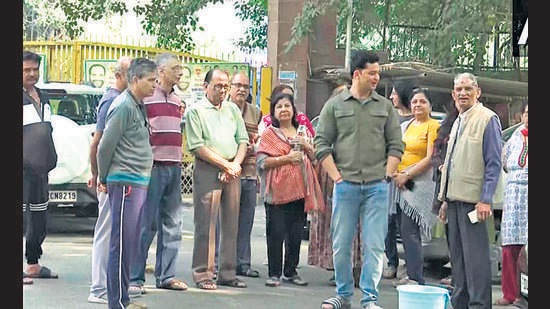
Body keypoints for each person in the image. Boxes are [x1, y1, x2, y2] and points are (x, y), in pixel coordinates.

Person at [315, 50, 403, 309]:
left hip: (377, 187)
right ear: (357, 74)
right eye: (372, 73)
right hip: (346, 187)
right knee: (341, 245)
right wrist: (337, 177)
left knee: (374, 246)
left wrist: (387, 175)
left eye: (378, 73)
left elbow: (396, 145)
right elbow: (321, 144)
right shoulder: (335, 105)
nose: (377, 77)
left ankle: (370, 300)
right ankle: (343, 296)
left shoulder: (385, 107)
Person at [437, 72, 502, 309]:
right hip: (454, 201)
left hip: (475, 204)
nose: (463, 93)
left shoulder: (487, 119)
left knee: (476, 262)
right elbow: (452, 162)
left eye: (468, 89)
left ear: (478, 92)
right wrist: (444, 200)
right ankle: (460, 304)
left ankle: (479, 305)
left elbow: (493, 163)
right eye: (459, 90)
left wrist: (485, 199)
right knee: (458, 261)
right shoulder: (457, 121)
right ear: (453, 95)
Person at [97, 57, 158, 309]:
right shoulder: (122, 106)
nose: (155, 85)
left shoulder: (137, 105)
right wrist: (103, 177)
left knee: (129, 244)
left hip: (138, 182)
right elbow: (104, 147)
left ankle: (123, 298)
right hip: (125, 183)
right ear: (135, 80)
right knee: (120, 246)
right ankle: (117, 303)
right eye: (151, 80)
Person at [128, 53, 188, 297]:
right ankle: (135, 277)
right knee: (146, 224)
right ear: (161, 71)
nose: (180, 72)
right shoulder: (147, 98)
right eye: (175, 68)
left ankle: (166, 276)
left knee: (173, 224)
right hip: (152, 167)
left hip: (174, 167)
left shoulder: (177, 100)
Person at [184, 68, 249, 290]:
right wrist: (225, 165)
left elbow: (242, 140)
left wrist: (235, 165)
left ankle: (228, 273)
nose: (222, 90)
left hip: (232, 169)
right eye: (217, 86)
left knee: (231, 223)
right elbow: (197, 146)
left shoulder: (232, 109)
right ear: (206, 86)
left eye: (225, 86)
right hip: (208, 170)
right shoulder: (196, 111)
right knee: (206, 224)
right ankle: (203, 273)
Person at [256, 92, 325, 288]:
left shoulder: (303, 132)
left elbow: (315, 160)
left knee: (295, 234)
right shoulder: (269, 134)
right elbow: (262, 163)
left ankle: (291, 271)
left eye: (287, 106)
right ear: (274, 112)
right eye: (279, 107)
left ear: (293, 110)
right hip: (276, 193)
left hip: (300, 191)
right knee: (275, 232)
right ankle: (275, 273)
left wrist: (307, 147)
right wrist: (286, 159)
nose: (284, 110)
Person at [87, 56, 132, 304]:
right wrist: (97, 176)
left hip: (116, 176)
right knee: (105, 232)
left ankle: (111, 284)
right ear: (119, 76)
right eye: (131, 73)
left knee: (114, 231)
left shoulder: (123, 101)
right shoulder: (111, 102)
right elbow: (98, 143)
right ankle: (98, 288)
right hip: (109, 177)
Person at [308, 84, 363, 288]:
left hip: (354, 176)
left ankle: (356, 269)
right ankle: (340, 269)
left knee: (356, 225)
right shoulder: (327, 121)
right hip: (329, 177)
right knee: (334, 224)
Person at [390, 88, 440, 287]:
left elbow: (429, 158)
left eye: (422, 102)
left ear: (430, 106)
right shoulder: (407, 125)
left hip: (418, 184)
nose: (418, 105)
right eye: (414, 102)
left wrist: (407, 175)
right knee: (404, 230)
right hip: (400, 183)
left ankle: (416, 278)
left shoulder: (433, 126)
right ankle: (411, 273)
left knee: (411, 231)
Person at [22, 50, 59, 284]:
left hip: (40, 169)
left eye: (35, 69)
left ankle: (33, 264)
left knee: (39, 217)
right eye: (26, 70)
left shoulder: (43, 97)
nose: (31, 74)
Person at [227, 72, 263, 278]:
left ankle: (243, 263)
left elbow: (260, 139)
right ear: (230, 88)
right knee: (224, 222)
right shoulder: (222, 110)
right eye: (237, 85)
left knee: (246, 222)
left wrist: (252, 147)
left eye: (246, 87)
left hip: (249, 173)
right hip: (227, 171)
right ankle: (221, 263)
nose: (241, 89)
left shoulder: (255, 112)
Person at [495, 102, 528, 306]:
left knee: (528, 245)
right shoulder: (516, 136)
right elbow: (505, 161)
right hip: (514, 192)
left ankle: (525, 294)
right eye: (527, 113)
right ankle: (509, 293)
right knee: (510, 244)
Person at [383, 80, 415, 280]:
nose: (391, 97)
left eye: (394, 93)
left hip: (410, 179)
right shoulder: (390, 117)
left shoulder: (418, 119)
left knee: (406, 225)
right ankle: (392, 261)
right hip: (389, 176)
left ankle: (409, 266)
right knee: (387, 223)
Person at [430, 99, 460, 287]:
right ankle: (455, 274)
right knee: (450, 231)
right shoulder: (447, 126)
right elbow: (436, 150)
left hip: (464, 184)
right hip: (444, 183)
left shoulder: (477, 122)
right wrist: (440, 165)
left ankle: (460, 277)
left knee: (463, 234)